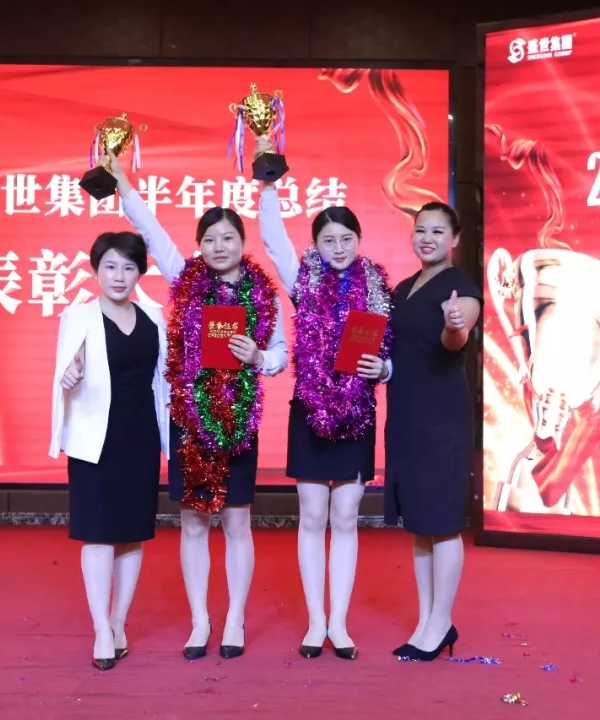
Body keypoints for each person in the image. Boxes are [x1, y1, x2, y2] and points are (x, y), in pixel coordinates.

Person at [100, 151, 288, 661]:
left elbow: (280, 354)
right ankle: (200, 620)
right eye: (209, 239)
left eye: (227, 238)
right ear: (199, 246)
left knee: (237, 522)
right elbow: (152, 232)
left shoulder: (263, 295)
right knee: (192, 523)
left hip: (239, 423)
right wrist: (123, 184)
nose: (218, 246)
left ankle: (235, 618)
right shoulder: (185, 279)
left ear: (242, 243)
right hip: (189, 420)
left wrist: (259, 357)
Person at [253, 139, 393, 660]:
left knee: (347, 516)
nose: (338, 247)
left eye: (346, 238)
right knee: (312, 515)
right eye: (328, 239)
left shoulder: (378, 288)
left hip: (357, 414)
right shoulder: (304, 280)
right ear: (315, 244)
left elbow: (393, 353)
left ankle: (340, 622)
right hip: (310, 412)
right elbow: (273, 242)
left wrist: (385, 369)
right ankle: (315, 621)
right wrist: (269, 186)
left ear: (359, 240)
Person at [48, 231, 171, 671]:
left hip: (140, 437)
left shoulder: (154, 317)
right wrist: (69, 374)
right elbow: (67, 368)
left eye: (129, 267)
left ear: (141, 272)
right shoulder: (78, 316)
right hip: (93, 441)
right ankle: (101, 627)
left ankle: (119, 622)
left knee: (132, 533)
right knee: (98, 533)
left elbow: (164, 382)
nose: (119, 276)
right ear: (96, 270)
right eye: (110, 267)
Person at [384, 201, 482, 662]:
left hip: (441, 417)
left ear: (454, 239)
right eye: (421, 230)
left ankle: (442, 621)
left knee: (441, 522)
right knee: (421, 525)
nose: (427, 238)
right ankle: (426, 620)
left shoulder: (462, 289)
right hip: (406, 414)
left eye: (438, 231)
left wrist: (454, 326)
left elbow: (454, 339)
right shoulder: (403, 288)